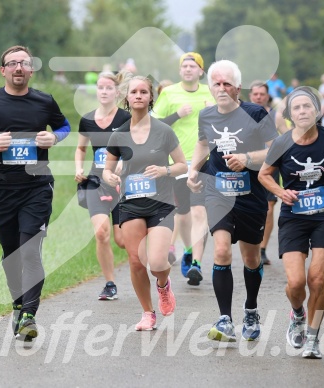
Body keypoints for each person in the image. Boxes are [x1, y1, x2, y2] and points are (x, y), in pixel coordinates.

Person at [0, 45, 71, 341]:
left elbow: (64, 126)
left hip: (36, 187)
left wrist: (54, 137)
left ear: (32, 69)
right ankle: (18, 305)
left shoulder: (44, 101)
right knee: (11, 253)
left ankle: (29, 315)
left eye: (24, 63)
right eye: (13, 63)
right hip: (0, 189)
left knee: (30, 249)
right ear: (3, 70)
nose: (19, 68)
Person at [258, 86, 324, 359]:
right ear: (290, 114)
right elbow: (264, 175)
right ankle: (298, 314)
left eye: (307, 106)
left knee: (317, 279)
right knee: (296, 283)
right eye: (297, 107)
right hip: (293, 217)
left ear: (316, 111)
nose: (302, 111)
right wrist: (280, 192)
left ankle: (312, 338)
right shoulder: (282, 143)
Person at [187, 60, 278, 342]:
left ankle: (250, 308)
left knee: (251, 258)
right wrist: (193, 169)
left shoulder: (256, 112)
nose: (222, 88)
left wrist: (248, 159)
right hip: (218, 192)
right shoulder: (206, 115)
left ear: (238, 87)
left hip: (251, 194)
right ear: (211, 87)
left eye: (227, 83)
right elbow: (203, 144)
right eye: (217, 83)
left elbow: (273, 149)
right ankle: (224, 318)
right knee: (222, 250)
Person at [103, 72, 188, 331]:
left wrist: (165, 171)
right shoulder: (118, 134)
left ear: (151, 97)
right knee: (136, 261)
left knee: (158, 262)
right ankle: (147, 313)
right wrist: (111, 176)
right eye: (133, 92)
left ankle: (163, 286)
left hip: (160, 203)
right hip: (130, 203)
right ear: (126, 98)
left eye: (143, 92)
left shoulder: (163, 131)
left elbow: (182, 164)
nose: (138, 96)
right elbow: (107, 169)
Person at [152, 52, 214, 286]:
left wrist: (213, 112)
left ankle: (196, 263)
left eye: (193, 65)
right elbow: (154, 126)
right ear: (180, 71)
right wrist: (177, 114)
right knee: (183, 214)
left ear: (201, 71)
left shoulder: (211, 93)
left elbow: (227, 125)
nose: (188, 69)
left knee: (200, 213)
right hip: (176, 161)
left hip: (204, 161)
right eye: (184, 66)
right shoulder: (169, 93)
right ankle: (188, 250)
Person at [75, 72, 131, 300]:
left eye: (109, 88)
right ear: (96, 91)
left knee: (121, 240)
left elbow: (137, 146)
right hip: (95, 182)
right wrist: (78, 168)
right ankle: (110, 284)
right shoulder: (87, 119)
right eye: (100, 88)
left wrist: (124, 163)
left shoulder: (126, 118)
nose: (104, 92)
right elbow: (80, 148)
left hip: (121, 183)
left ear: (117, 92)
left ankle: (151, 260)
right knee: (101, 233)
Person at [249, 80, 286, 265]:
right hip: (247, 167)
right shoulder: (241, 116)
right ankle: (251, 245)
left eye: (261, 94)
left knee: (269, 208)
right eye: (255, 94)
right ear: (250, 96)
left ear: (267, 96)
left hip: (270, 167)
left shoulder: (275, 116)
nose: (258, 97)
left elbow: (289, 140)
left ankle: (262, 249)